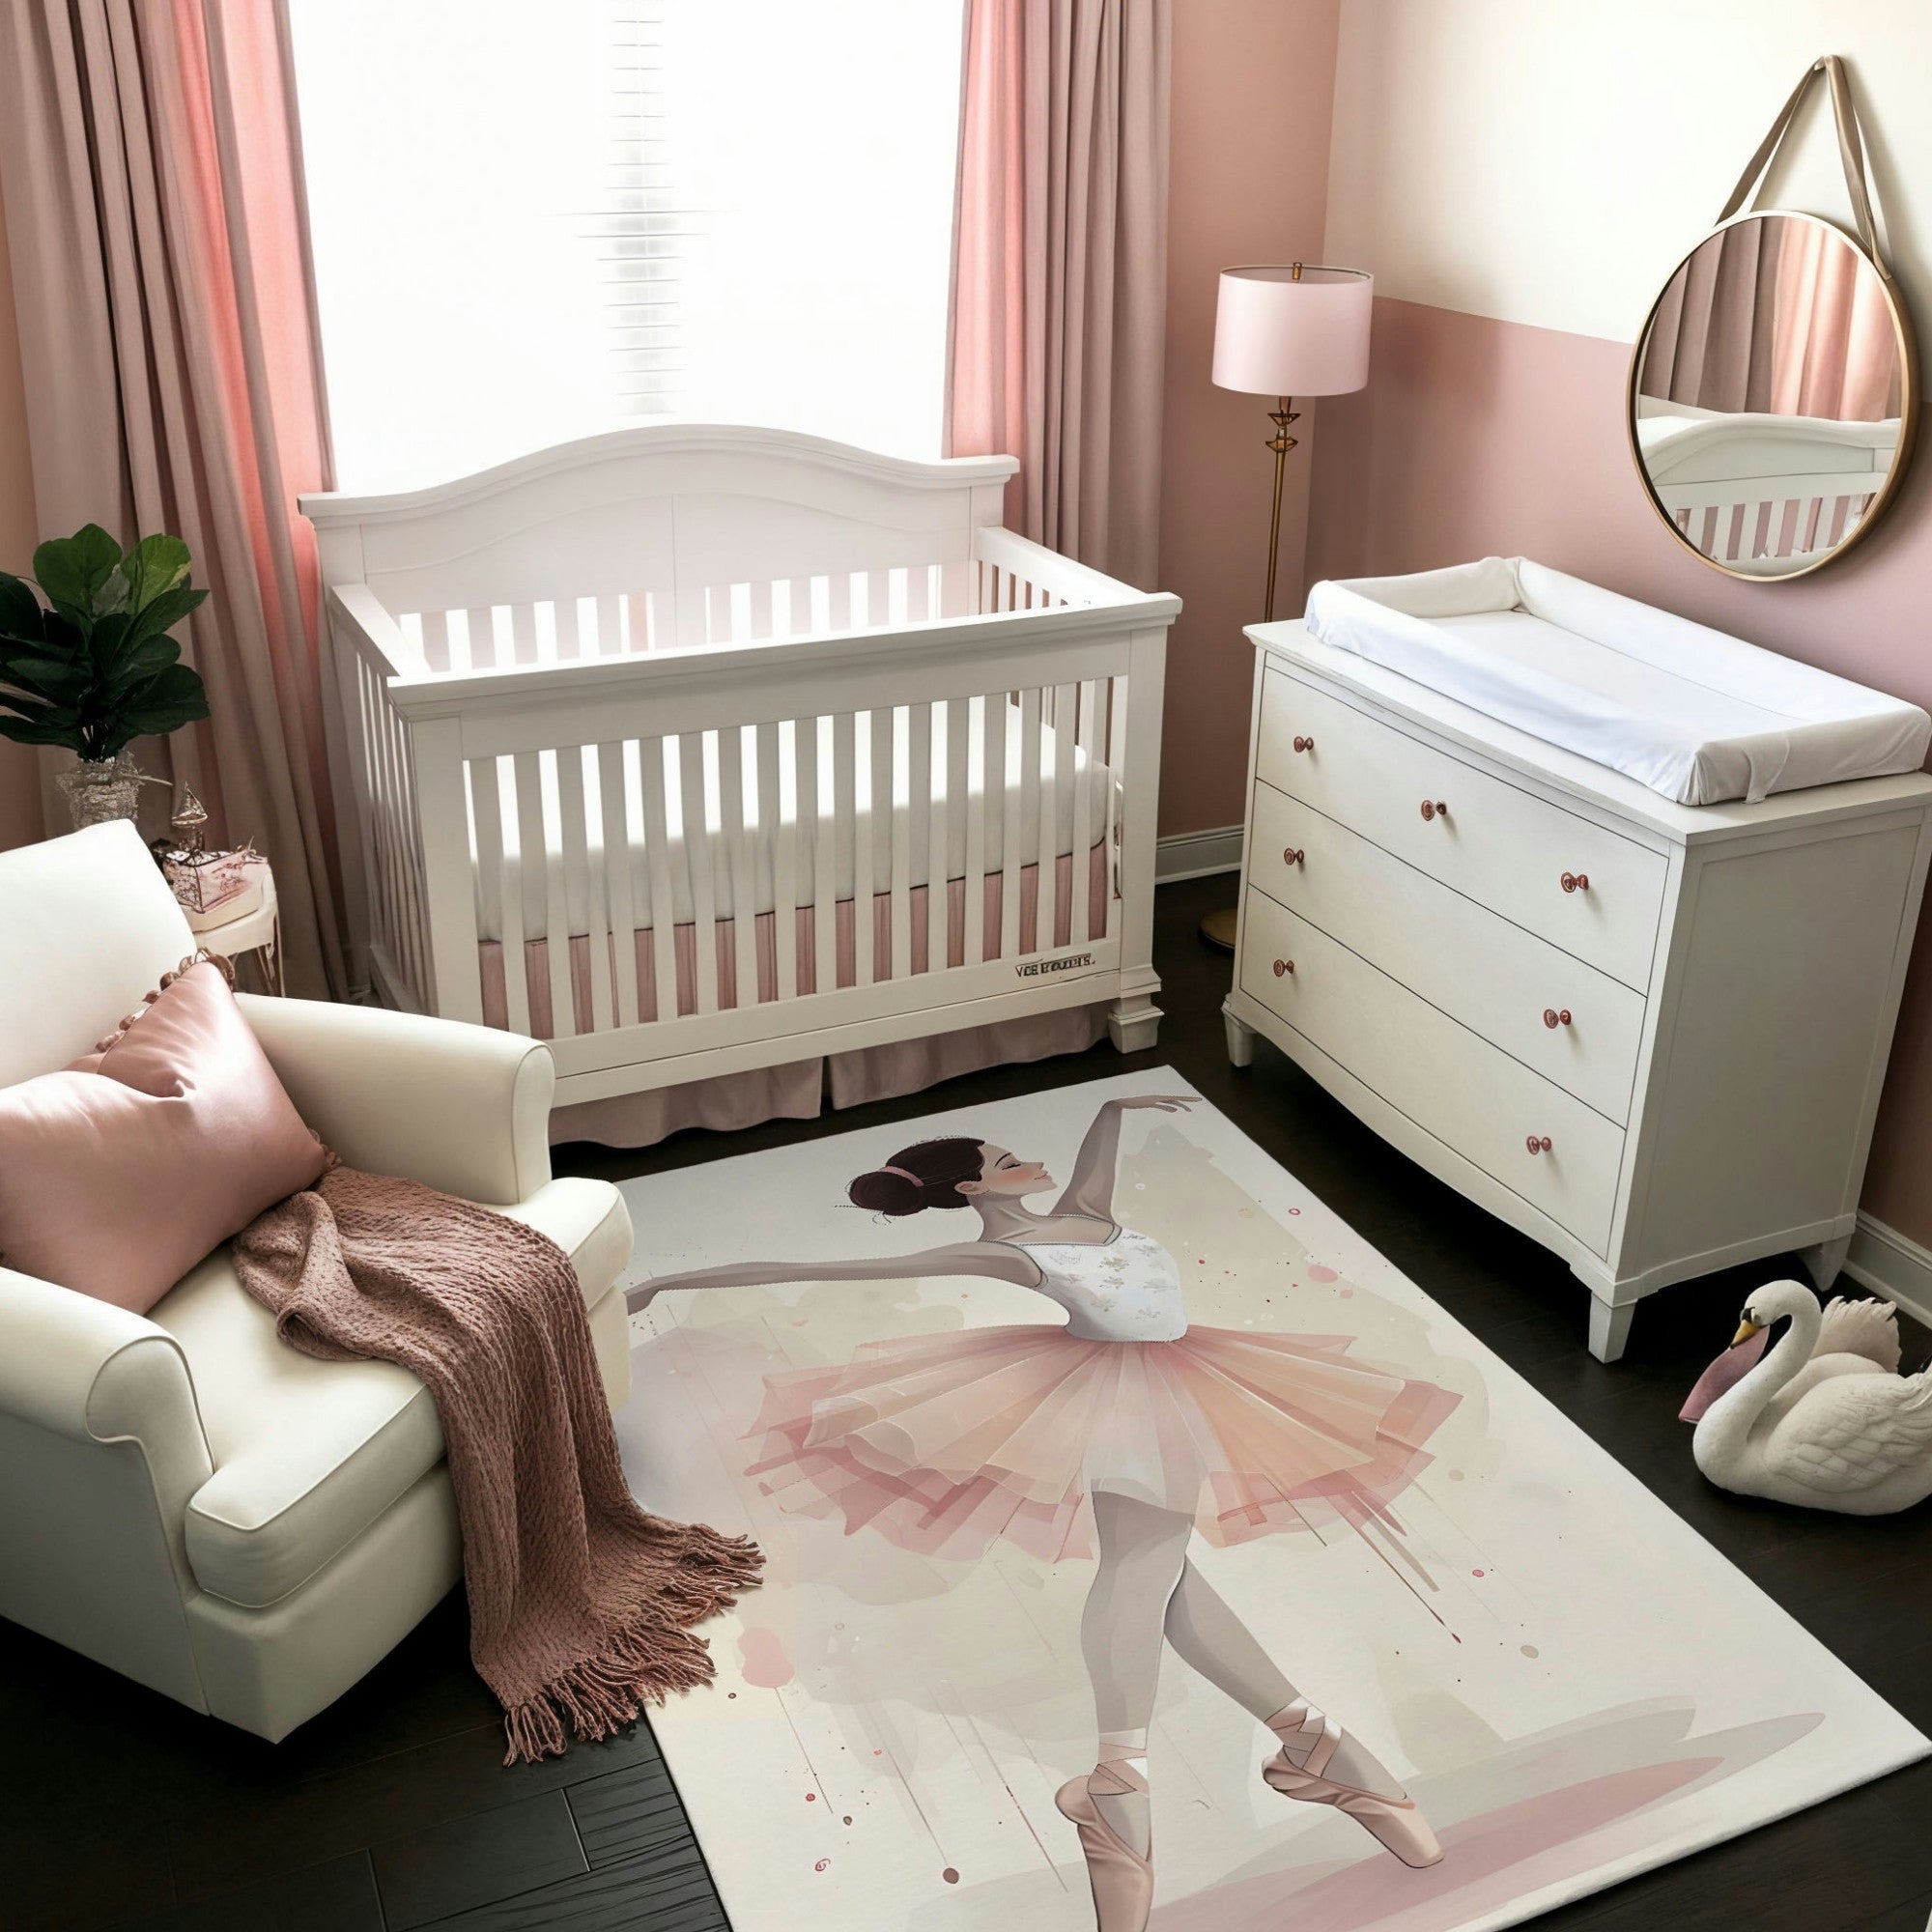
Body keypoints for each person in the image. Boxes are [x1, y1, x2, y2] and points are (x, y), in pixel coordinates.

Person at [632, 1094, 1457, 1930]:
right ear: (974, 1191)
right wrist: (672, 1279)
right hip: (1124, 1398)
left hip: (1184, 1380)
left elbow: (1099, 1152)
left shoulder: (1083, 1212)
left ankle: (1297, 1748)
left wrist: (1115, 1104)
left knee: (1163, 1573)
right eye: (1004, 1162)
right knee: (1146, 1567)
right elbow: (818, 1274)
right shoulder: (1010, 1252)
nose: (1026, 1163)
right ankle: (1145, 1780)